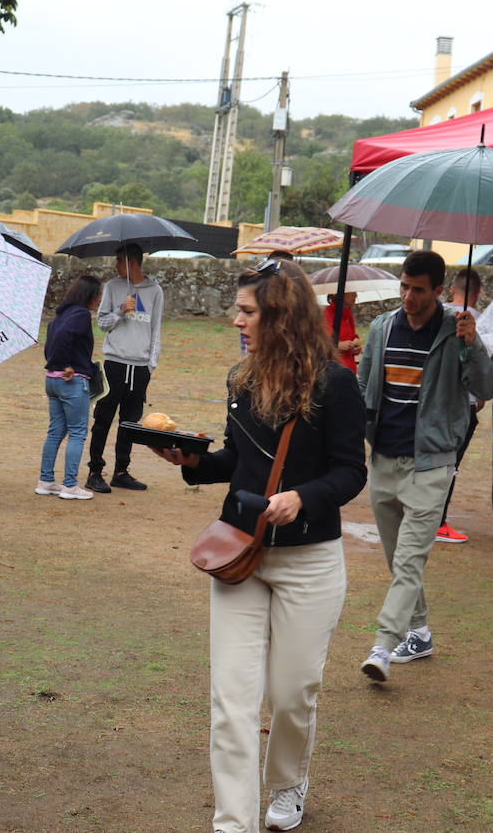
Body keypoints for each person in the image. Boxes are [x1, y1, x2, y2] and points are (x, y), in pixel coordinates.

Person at [153, 258, 366, 833]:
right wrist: (189, 459)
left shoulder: (336, 384)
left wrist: (303, 497)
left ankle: (290, 783)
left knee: (293, 693)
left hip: (310, 561)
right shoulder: (239, 379)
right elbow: (239, 462)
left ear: (280, 316)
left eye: (245, 311)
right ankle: (234, 822)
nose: (235, 321)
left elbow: (351, 472)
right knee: (233, 701)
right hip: (240, 554)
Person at [356, 250, 493, 682]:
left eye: (418, 289)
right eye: (403, 286)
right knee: (398, 558)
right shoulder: (382, 328)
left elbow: (486, 387)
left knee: (411, 559)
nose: (408, 296)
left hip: (431, 461)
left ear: (439, 290)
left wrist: (472, 346)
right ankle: (419, 631)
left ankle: (383, 645)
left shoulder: (458, 332)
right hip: (383, 458)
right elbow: (364, 386)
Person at [86, 243, 164, 494]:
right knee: (103, 419)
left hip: (140, 367)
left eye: (119, 260)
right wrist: (121, 310)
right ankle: (95, 471)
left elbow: (156, 330)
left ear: (133, 263)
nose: (115, 265)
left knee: (130, 422)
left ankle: (121, 471)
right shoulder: (112, 287)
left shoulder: (155, 291)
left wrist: (150, 365)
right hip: (115, 363)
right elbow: (102, 323)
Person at [38, 274, 102, 499]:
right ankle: (70, 485)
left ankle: (45, 481)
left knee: (55, 431)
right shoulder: (81, 314)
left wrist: (57, 364)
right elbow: (65, 337)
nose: (99, 299)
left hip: (52, 379)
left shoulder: (60, 314)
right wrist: (66, 364)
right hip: (71, 381)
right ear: (90, 296)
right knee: (77, 432)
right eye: (98, 295)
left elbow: (51, 342)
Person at [436, 267, 483, 544]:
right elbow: (482, 365)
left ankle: (430, 517)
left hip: (435, 402)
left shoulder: (436, 315)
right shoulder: (476, 322)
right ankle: (438, 521)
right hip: (462, 405)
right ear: (478, 293)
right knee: (450, 465)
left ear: (452, 288)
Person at [324, 291, 360, 373]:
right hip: (335, 372)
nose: (355, 295)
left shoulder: (347, 313)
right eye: (352, 292)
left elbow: (353, 335)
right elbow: (322, 344)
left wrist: (356, 346)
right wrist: (339, 345)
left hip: (350, 370)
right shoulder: (326, 314)